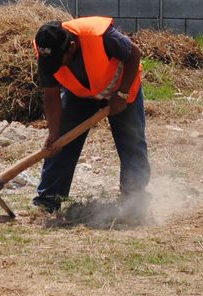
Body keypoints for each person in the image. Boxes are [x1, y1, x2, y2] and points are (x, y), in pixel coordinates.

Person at [31, 17, 149, 215]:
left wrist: (122, 94)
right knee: (61, 141)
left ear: (71, 47)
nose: (56, 67)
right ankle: (49, 199)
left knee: (132, 141)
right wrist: (53, 133)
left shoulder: (100, 35)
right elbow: (51, 94)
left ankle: (134, 199)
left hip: (122, 88)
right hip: (81, 94)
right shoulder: (47, 51)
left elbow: (134, 54)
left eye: (60, 62)